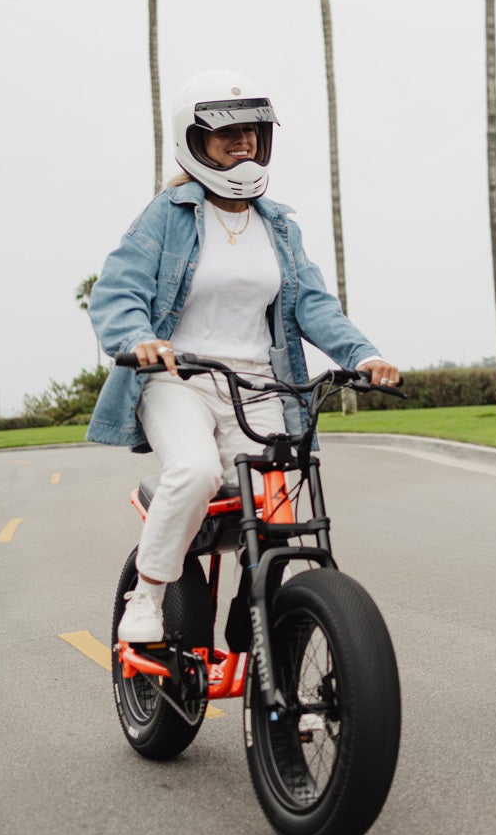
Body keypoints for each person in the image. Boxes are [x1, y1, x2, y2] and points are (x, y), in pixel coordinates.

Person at [87, 68, 401, 643]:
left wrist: (365, 354)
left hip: (260, 386)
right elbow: (117, 292)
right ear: (194, 141)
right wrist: (138, 339)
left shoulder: (277, 225)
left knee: (278, 495)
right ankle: (148, 597)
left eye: (252, 131)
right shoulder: (168, 215)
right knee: (197, 471)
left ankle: (254, 606)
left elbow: (313, 305)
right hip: (177, 379)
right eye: (227, 134)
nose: (244, 142)